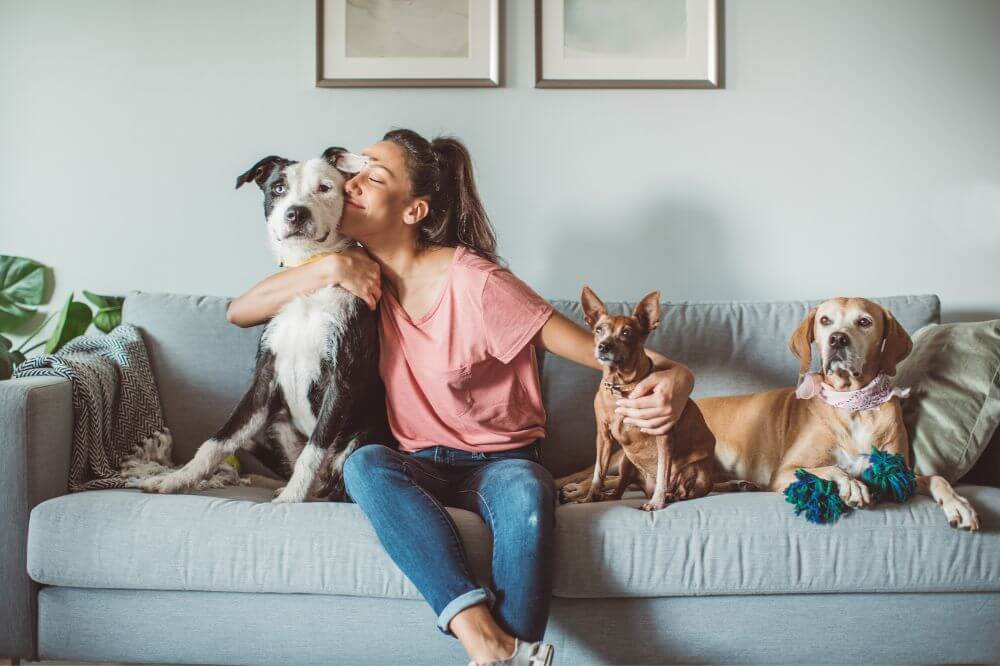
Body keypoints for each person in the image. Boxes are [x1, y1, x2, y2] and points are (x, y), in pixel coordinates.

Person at [226, 129, 694, 666]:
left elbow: (600, 352)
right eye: (353, 173)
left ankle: (501, 654)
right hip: (416, 462)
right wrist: (329, 266)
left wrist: (680, 377)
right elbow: (240, 311)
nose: (351, 183)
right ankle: (487, 642)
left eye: (372, 177)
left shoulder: (478, 283)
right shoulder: (352, 270)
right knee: (365, 465)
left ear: (412, 210)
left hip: (501, 463)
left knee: (528, 495)